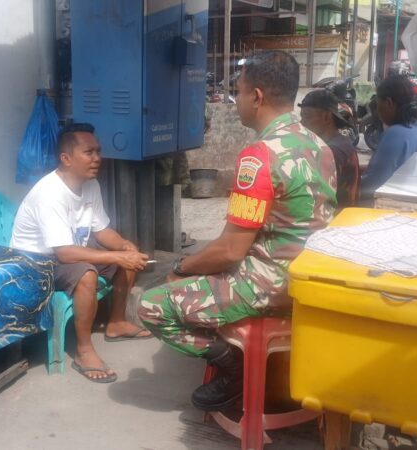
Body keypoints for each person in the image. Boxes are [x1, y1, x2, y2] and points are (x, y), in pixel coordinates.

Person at [138, 50, 338, 411]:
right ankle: (245, 359)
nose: (236, 100)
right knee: (202, 272)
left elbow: (230, 250)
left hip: (269, 285)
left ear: (256, 97)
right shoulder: (319, 145)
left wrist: (181, 268)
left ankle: (233, 367)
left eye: (239, 92)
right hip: (309, 278)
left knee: (151, 304)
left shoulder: (259, 156)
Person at [10, 122, 151, 383]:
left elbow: (102, 230)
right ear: (66, 159)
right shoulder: (50, 193)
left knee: (128, 259)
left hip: (66, 253)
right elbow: (64, 253)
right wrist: (116, 255)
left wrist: (123, 246)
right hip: (34, 263)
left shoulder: (90, 185)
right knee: (86, 274)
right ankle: (83, 351)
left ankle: (116, 323)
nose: (97, 158)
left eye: (98, 151)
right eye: (89, 152)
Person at [360, 75, 417, 198]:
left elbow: (371, 183)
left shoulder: (395, 134)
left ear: (389, 103)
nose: (377, 110)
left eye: (378, 103)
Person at [299, 88, 360, 209]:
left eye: (307, 117)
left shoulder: (331, 151)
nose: (302, 123)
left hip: (337, 215)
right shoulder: (341, 142)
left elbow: (313, 197)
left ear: (326, 118)